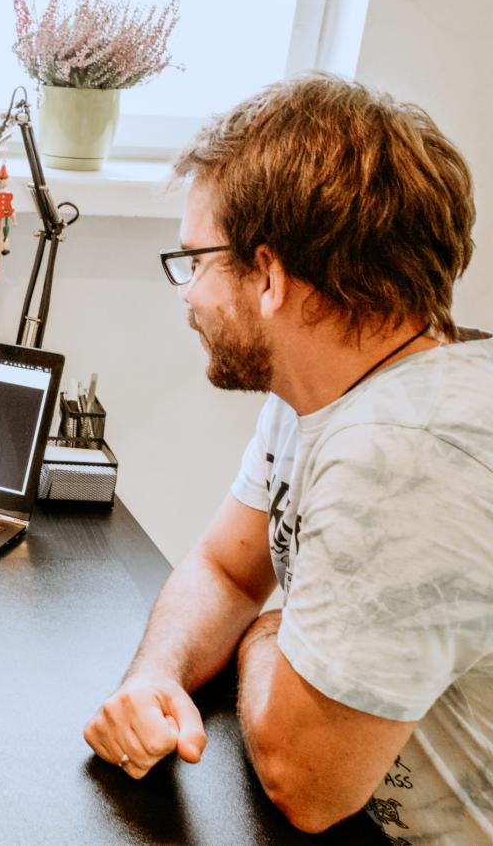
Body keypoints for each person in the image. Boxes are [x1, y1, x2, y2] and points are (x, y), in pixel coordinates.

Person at [83, 73, 492, 842]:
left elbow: (304, 783)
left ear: (269, 276)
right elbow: (228, 569)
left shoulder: (407, 457)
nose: (187, 293)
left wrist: (268, 633)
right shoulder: (319, 384)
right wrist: (155, 675)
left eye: (195, 259)